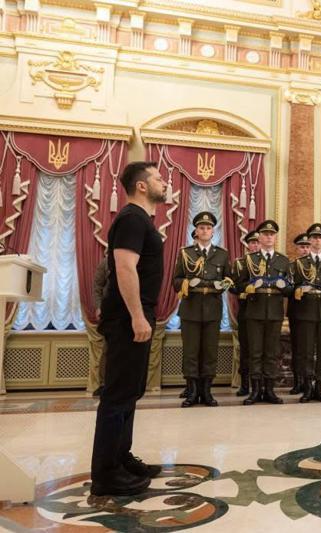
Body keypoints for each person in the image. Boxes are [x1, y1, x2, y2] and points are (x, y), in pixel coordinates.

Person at [90, 161, 166, 497]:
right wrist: (137, 316)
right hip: (127, 317)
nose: (165, 182)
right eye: (159, 178)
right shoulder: (132, 219)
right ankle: (106, 474)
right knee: (118, 395)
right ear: (141, 186)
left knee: (130, 392)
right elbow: (123, 267)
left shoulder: (141, 220)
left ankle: (121, 458)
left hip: (136, 314)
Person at [172, 211, 232, 408]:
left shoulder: (222, 254)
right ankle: (192, 391)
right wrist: (187, 282)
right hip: (190, 308)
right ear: (196, 231)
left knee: (209, 352)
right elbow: (176, 281)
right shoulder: (186, 253)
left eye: (208, 228)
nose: (205, 230)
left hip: (213, 309)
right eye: (201, 228)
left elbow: (228, 280)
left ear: (213, 232)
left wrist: (222, 285)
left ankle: (206, 391)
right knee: (190, 352)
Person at [235, 219, 292, 405]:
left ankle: (270, 390)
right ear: (259, 237)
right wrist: (248, 287)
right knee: (255, 352)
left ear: (275, 237)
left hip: (275, 312)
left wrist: (285, 287)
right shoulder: (250, 260)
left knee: (271, 352)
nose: (269, 237)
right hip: (254, 311)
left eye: (272, 234)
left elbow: (290, 289)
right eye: (265, 234)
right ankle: (255, 390)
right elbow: (238, 285)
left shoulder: (283, 261)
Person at [291, 223, 321, 403]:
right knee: (306, 352)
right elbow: (293, 286)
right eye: (314, 238)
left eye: (320, 238)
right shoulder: (299, 263)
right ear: (309, 240)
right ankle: (307, 387)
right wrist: (298, 291)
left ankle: (319, 386)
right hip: (306, 311)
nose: (317, 241)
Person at [231, 230, 261, 397]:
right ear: (248, 245)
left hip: (263, 309)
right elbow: (233, 286)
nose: (255, 245)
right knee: (246, 349)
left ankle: (260, 384)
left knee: (260, 350)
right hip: (246, 310)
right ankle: (244, 384)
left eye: (258, 242)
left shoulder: (266, 262)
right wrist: (244, 289)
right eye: (252, 242)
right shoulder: (240, 263)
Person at [288, 232, 311, 394]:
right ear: (297, 249)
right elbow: (287, 288)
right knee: (297, 349)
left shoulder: (318, 266)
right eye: (302, 247)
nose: (305, 250)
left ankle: (309, 382)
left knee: (310, 350)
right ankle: (297, 381)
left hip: (313, 312)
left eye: (307, 246)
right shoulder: (291, 267)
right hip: (296, 312)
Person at [88, 252, 109, 397]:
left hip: (131, 313)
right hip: (109, 312)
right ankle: (104, 384)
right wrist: (99, 306)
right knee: (108, 350)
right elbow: (97, 287)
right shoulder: (106, 262)